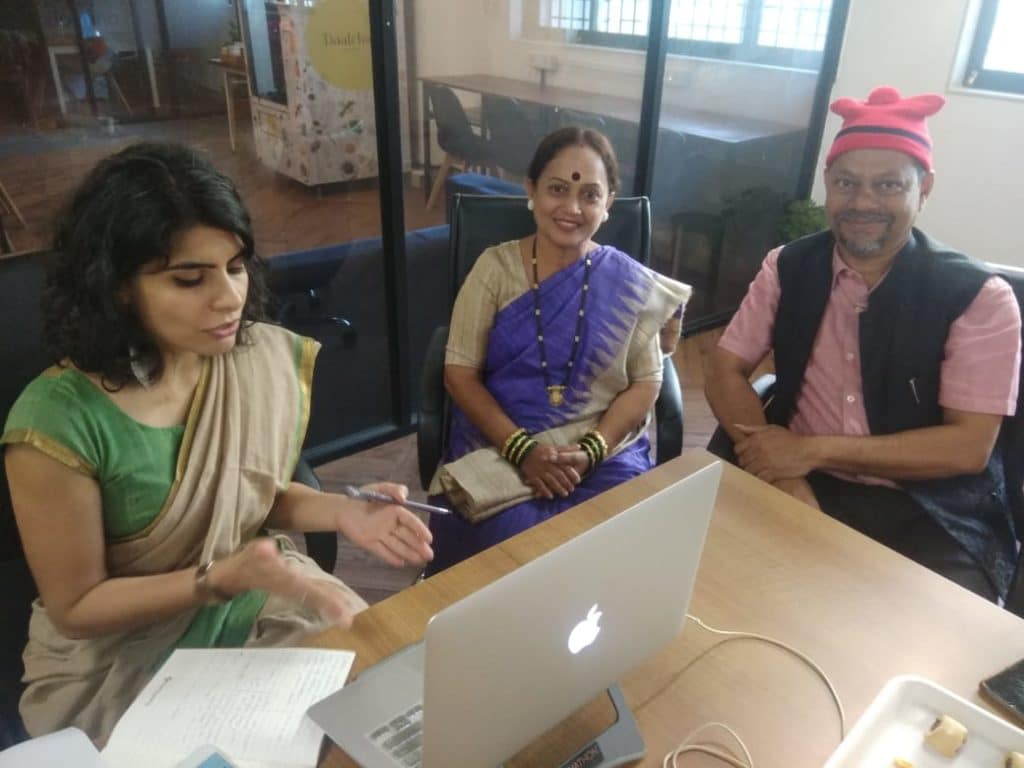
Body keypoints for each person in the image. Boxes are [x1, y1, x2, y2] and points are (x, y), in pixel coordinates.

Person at [0, 143, 434, 743]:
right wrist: (217, 579)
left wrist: (346, 511)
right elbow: (76, 608)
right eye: (189, 278)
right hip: (119, 659)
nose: (230, 297)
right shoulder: (56, 423)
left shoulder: (245, 360)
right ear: (118, 287)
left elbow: (254, 493)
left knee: (384, 708)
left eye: (235, 266)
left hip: (255, 596)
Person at [705, 86, 1021, 602]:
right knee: (718, 596)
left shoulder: (978, 298)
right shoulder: (787, 267)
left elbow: (968, 447)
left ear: (925, 189)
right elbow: (723, 368)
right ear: (827, 184)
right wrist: (782, 473)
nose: (863, 202)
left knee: (933, 650)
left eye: (888, 185)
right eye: (847, 183)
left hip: (927, 506)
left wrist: (808, 450)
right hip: (799, 477)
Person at [426, 126, 691, 574]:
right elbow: (460, 372)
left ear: (608, 205)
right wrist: (521, 450)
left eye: (590, 194)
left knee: (623, 537)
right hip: (501, 445)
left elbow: (646, 382)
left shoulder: (628, 284)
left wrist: (591, 449)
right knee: (516, 554)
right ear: (530, 190)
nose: (571, 208)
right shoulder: (494, 269)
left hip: (600, 449)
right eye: (556, 189)